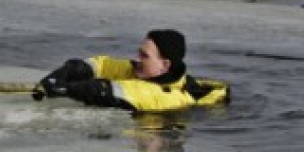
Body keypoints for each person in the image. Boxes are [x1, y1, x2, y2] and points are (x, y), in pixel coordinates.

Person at [32, 29, 227, 113]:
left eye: (145, 56)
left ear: (165, 65)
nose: (136, 59)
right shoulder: (144, 71)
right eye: (139, 53)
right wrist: (71, 70)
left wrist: (65, 89)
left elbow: (109, 91)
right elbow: (104, 65)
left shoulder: (170, 96)